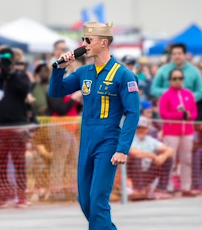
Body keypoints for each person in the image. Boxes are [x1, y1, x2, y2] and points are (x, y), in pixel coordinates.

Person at [48, 21, 140, 230]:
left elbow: (133, 113)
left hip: (108, 142)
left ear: (104, 42)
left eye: (88, 40)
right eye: (83, 39)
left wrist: (122, 149)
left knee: (98, 201)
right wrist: (59, 69)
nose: (84, 44)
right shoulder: (84, 72)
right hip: (87, 140)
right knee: (86, 202)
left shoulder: (123, 74)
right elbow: (56, 92)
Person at [0, 47, 31, 208]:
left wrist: (11, 73)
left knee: (19, 163)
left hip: (18, 126)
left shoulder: (21, 75)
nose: (5, 63)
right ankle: (2, 195)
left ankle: (21, 196)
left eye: (7, 59)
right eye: (2, 59)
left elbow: (23, 90)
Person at [159, 68, 200, 197]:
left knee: (186, 160)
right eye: (175, 78)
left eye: (180, 78)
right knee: (171, 160)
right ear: (170, 80)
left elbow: (194, 114)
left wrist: (186, 116)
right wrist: (180, 115)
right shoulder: (165, 96)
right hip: (171, 132)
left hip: (187, 131)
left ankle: (186, 187)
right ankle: (170, 187)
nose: (178, 81)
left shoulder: (188, 95)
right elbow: (164, 114)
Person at [151, 43, 202, 119]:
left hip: (189, 112)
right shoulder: (163, 70)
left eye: (179, 53)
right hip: (168, 111)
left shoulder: (194, 71)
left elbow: (200, 91)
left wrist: (188, 98)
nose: (177, 56)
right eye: (174, 54)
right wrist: (171, 95)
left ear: (184, 54)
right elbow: (154, 89)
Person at [128, 116, 173, 200]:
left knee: (168, 158)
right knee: (135, 158)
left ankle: (160, 190)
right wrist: (153, 156)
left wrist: (163, 156)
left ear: (147, 129)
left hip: (148, 171)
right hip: (132, 173)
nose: (141, 130)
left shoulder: (150, 140)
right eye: (138, 128)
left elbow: (170, 150)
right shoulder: (130, 139)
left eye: (143, 128)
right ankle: (138, 189)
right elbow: (133, 152)